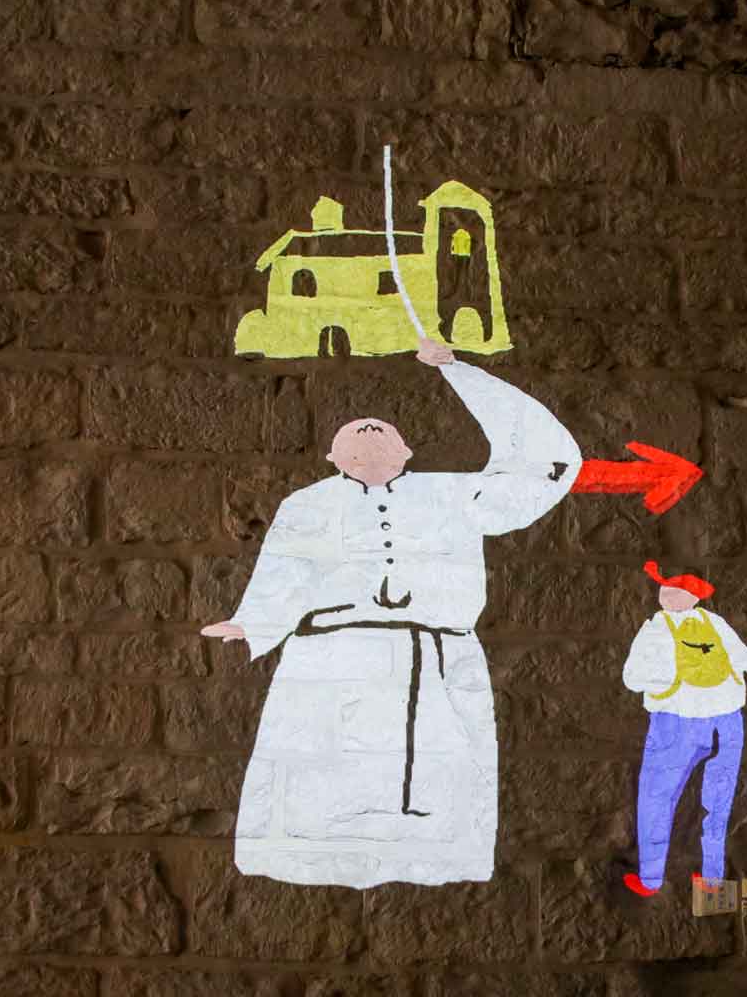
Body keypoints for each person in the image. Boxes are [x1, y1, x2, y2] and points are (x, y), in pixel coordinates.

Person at [201, 337, 582, 889]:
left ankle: (435, 864)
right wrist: (252, 623)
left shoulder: (456, 495)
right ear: (334, 458)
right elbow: (285, 572)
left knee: (435, 778)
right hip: (332, 655)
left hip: (435, 656)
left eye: (382, 429)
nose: (369, 429)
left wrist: (460, 373)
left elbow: (545, 464)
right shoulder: (306, 504)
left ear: (407, 451)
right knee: (323, 780)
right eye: (355, 433)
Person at [621, 560, 747, 896]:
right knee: (719, 799)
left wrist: (662, 680)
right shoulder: (715, 623)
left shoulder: (655, 628)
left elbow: (632, 679)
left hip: (676, 720)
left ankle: (651, 879)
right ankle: (713, 882)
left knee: (657, 796)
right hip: (727, 719)